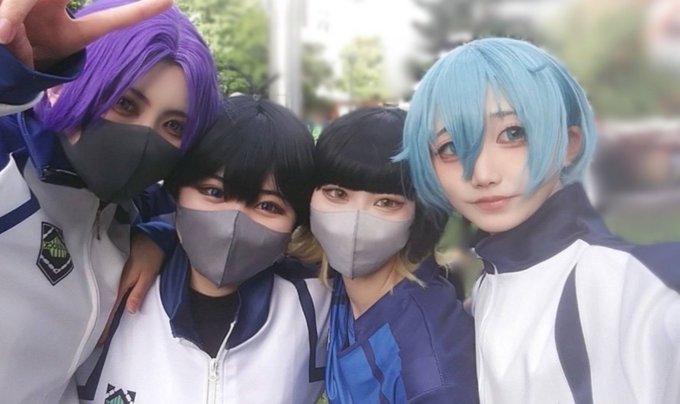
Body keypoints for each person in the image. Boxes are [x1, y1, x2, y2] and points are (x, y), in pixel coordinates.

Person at [399, 37, 680, 403]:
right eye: (450, 148)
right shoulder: (488, 285)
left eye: (512, 134)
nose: (482, 174)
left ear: (569, 144)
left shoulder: (635, 283)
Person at [0, 0, 222, 402]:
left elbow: (202, 213)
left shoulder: (128, 210)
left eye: (173, 125)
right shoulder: (8, 166)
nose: (144, 140)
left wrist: (159, 236)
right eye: (125, 104)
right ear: (67, 85)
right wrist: (8, 77)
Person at [76, 95, 330, 404]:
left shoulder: (319, 305)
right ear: (177, 191)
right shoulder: (104, 283)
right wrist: (159, 234)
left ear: (297, 222)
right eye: (214, 192)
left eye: (268, 206)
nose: (232, 223)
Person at [299, 107, 478, 403]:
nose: (354, 220)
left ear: (421, 213)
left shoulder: (430, 373)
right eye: (337, 193)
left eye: (386, 202)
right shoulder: (339, 285)